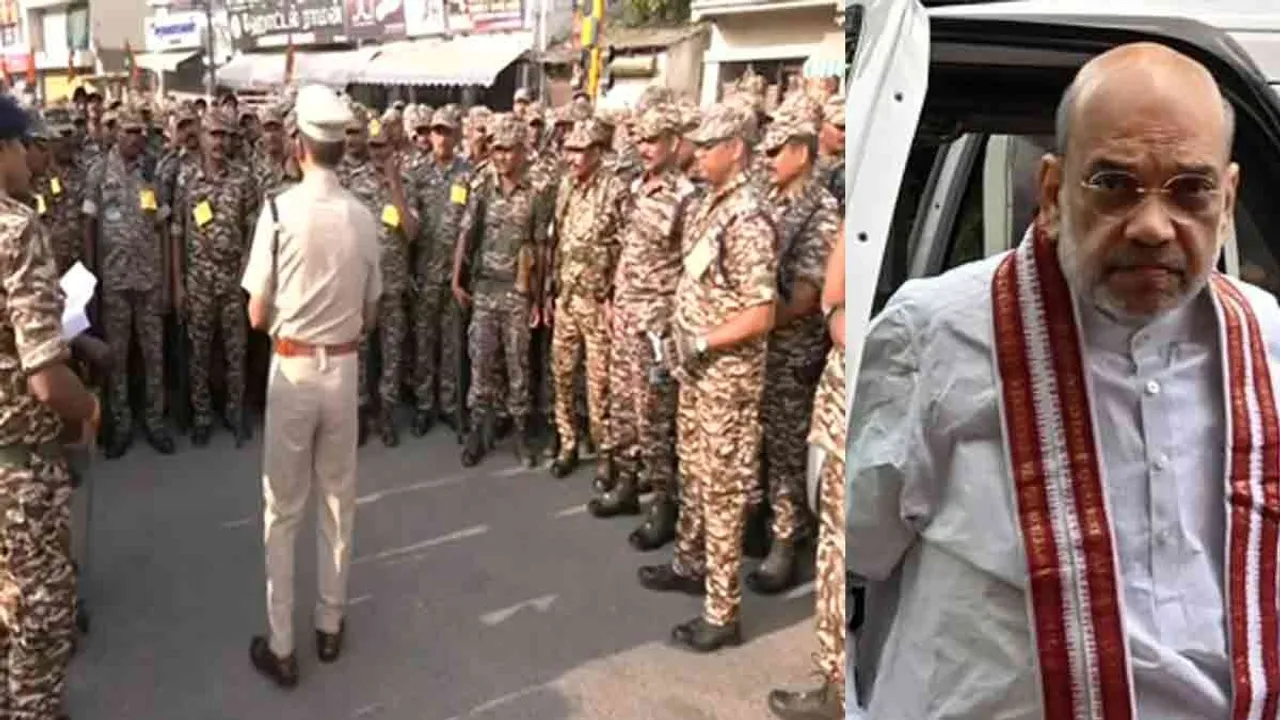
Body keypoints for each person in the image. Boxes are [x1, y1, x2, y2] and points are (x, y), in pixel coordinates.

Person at [848, 43, 1276, 718]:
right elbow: (860, 544)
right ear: (1051, 192)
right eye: (1114, 184)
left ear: (1227, 201)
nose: (1152, 226)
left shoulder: (1268, 340)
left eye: (1190, 190)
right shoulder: (935, 332)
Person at [241, 84, 381, 689]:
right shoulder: (364, 216)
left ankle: (281, 643)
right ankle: (329, 625)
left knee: (283, 510)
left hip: (294, 367)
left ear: (299, 144)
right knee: (335, 503)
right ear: (340, 149)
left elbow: (254, 314)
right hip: (343, 369)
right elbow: (373, 314)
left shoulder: (277, 212)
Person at [0, 92, 100, 719]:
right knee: (37, 632)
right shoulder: (15, 229)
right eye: (19, 146)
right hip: (17, 472)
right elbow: (44, 380)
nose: (27, 159)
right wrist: (87, 407)